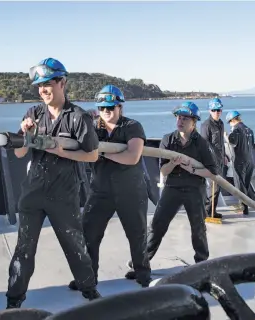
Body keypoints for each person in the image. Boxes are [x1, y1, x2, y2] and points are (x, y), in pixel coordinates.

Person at [6, 57, 101, 309]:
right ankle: (14, 299)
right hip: (33, 193)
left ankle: (88, 289)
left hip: (64, 194)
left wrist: (62, 151)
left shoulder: (79, 117)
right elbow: (19, 153)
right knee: (23, 248)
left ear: (62, 83)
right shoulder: (33, 114)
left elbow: (92, 154)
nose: (43, 90)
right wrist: (25, 135)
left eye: (47, 83)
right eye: (39, 86)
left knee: (74, 244)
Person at [67, 85, 152, 290]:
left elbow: (132, 157)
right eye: (103, 107)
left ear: (120, 107)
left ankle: (142, 274)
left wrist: (101, 153)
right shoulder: (93, 128)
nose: (107, 110)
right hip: (100, 191)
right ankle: (88, 277)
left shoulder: (132, 126)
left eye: (111, 106)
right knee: (89, 234)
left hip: (130, 191)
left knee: (136, 234)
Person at [125, 102, 218, 277]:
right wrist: (173, 163)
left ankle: (202, 265)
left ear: (194, 122)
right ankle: (139, 264)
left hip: (194, 188)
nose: (180, 121)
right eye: (179, 117)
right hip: (172, 187)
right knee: (157, 225)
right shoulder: (167, 140)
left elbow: (212, 172)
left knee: (198, 228)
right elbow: (162, 170)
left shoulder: (201, 144)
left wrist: (192, 169)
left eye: (185, 118)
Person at [201, 97, 226, 219]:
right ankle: (207, 212)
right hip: (211, 162)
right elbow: (205, 144)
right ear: (210, 111)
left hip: (220, 161)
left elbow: (220, 143)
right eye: (214, 110)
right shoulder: (206, 125)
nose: (217, 112)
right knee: (213, 188)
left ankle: (213, 211)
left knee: (218, 187)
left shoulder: (221, 124)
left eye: (219, 110)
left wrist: (224, 155)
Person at [226, 110, 255, 215]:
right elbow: (252, 145)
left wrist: (226, 136)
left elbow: (232, 142)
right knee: (246, 184)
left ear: (232, 120)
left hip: (239, 161)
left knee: (240, 185)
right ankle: (245, 206)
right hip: (250, 161)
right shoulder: (250, 130)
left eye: (229, 122)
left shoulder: (236, 130)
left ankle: (243, 208)